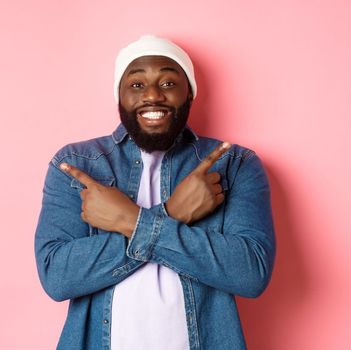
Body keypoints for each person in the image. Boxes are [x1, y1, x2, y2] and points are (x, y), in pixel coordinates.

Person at [34, 35, 276, 350]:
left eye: (167, 83)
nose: (152, 96)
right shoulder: (77, 164)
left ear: (188, 92)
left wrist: (129, 221)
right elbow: (57, 277)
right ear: (118, 96)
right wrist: (172, 215)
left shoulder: (234, 164)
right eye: (136, 85)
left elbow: (250, 273)